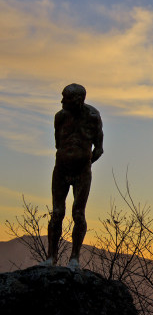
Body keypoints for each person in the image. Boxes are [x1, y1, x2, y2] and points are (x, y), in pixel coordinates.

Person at [41, 83, 103, 269]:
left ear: (77, 100)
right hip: (61, 169)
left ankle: (74, 258)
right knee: (57, 213)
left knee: (78, 213)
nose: (61, 101)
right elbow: (58, 144)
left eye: (65, 98)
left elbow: (99, 149)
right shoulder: (60, 117)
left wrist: (84, 163)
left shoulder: (93, 117)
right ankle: (51, 257)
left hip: (82, 172)